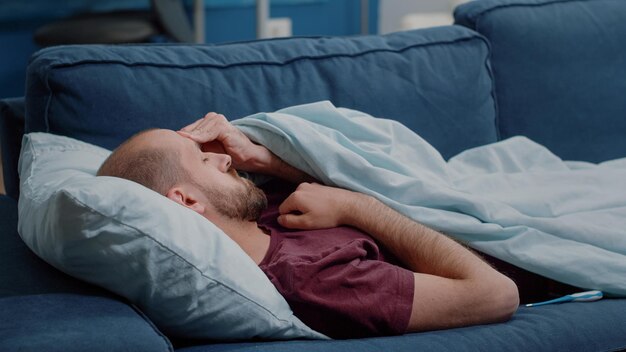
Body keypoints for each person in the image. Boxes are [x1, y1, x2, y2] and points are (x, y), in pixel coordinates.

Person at [97, 112, 519, 338]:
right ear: (187, 201)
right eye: (204, 161)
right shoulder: (314, 281)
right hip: (510, 246)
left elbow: (359, 167)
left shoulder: (251, 213)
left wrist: (263, 158)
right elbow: (496, 295)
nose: (223, 159)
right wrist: (358, 207)